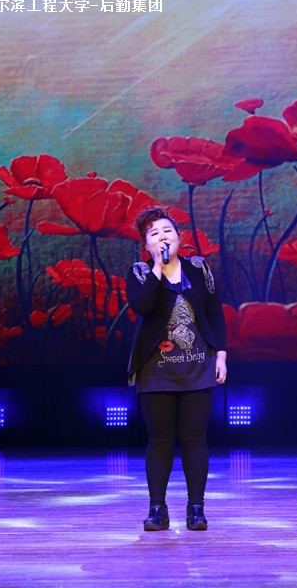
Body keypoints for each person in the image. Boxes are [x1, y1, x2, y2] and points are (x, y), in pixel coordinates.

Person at [126, 206, 227, 531]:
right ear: (146, 245)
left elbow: (214, 312)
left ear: (179, 237)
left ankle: (196, 509)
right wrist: (158, 267)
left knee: (195, 439)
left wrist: (221, 355)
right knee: (160, 441)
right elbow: (141, 306)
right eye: (154, 234)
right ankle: (157, 509)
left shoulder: (199, 269)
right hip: (156, 370)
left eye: (167, 231)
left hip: (198, 366)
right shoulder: (140, 272)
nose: (162, 237)